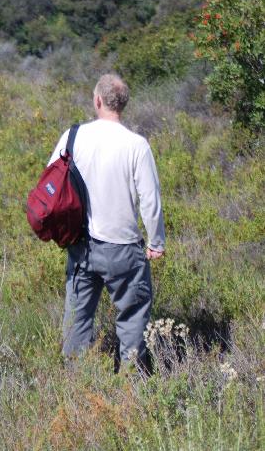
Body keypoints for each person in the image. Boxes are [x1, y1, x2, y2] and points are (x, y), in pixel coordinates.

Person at [48, 74, 165, 371]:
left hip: (81, 247)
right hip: (124, 248)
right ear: (122, 104)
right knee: (132, 320)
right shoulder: (136, 145)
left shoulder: (72, 137)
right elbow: (150, 201)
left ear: (97, 100)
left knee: (77, 319)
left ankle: (75, 388)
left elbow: (50, 182)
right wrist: (156, 242)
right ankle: (132, 387)